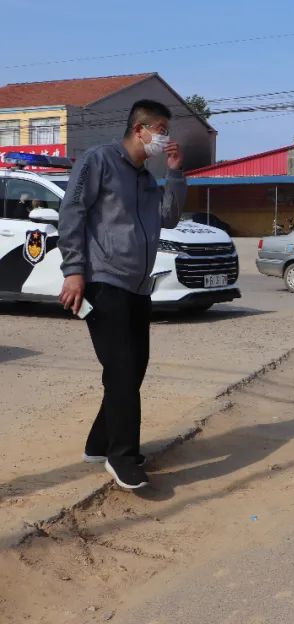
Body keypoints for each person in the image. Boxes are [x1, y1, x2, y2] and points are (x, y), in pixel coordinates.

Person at [58, 99, 185, 490]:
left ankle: (100, 444)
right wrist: (74, 271)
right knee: (123, 368)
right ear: (138, 129)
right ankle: (122, 457)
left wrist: (175, 173)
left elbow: (169, 217)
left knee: (132, 368)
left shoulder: (146, 178)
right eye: (160, 129)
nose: (164, 137)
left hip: (137, 286)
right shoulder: (99, 160)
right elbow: (72, 212)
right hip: (102, 280)